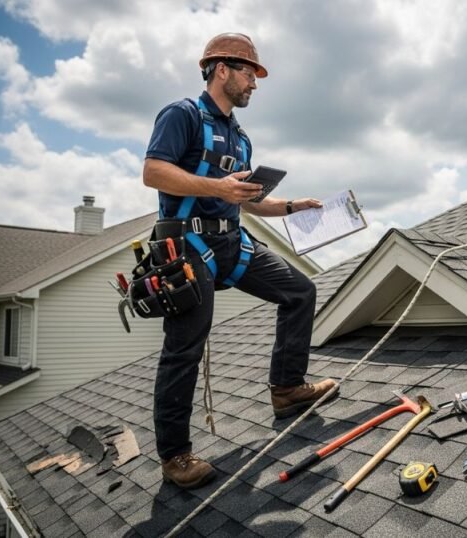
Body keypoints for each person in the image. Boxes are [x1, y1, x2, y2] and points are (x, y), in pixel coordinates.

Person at [143, 33, 338, 489]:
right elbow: (153, 171)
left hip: (234, 242)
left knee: (300, 290)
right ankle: (175, 456)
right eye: (250, 72)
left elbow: (246, 201)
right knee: (184, 349)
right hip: (189, 247)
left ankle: (287, 389)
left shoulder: (239, 136)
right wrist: (218, 189)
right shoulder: (182, 116)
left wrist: (292, 206)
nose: (255, 82)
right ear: (221, 69)